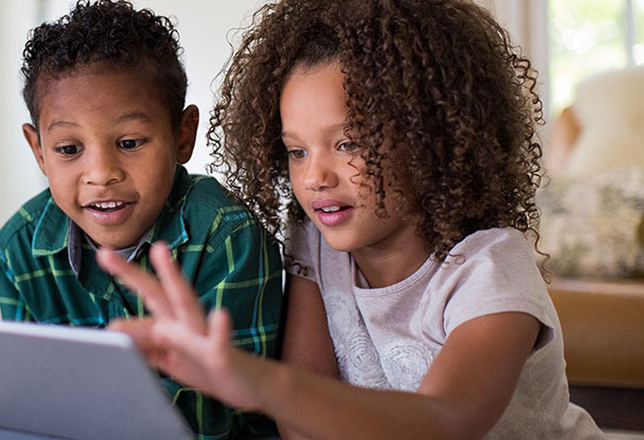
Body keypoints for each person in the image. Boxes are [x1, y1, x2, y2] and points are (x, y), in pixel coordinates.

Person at [97, 0, 605, 438]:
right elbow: (301, 427)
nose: (315, 176)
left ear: (430, 139)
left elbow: (446, 422)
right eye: (296, 151)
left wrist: (256, 381)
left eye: (348, 144)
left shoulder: (489, 268)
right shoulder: (315, 242)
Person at [0, 1, 283, 438]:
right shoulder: (17, 248)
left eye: (129, 142)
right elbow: (32, 396)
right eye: (69, 149)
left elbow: (224, 417)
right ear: (38, 151)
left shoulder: (227, 236)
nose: (102, 173)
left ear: (182, 135)